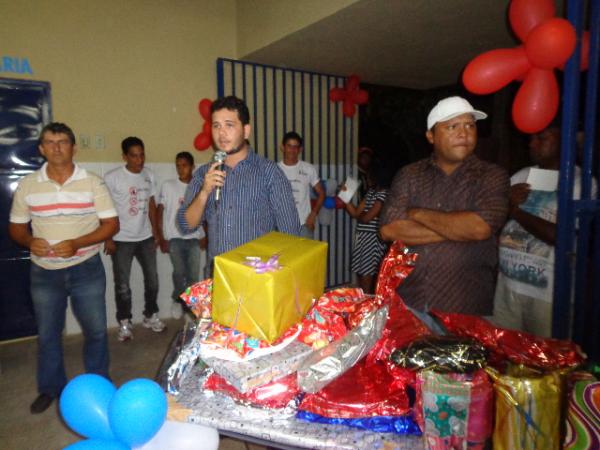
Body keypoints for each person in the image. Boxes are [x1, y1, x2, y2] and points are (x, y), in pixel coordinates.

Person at [8, 122, 119, 414]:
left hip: (87, 268)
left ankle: (99, 385)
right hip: (44, 272)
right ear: (42, 149)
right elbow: (16, 229)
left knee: (96, 332)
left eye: (63, 141)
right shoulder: (28, 185)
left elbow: (111, 225)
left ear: (73, 147)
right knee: (48, 335)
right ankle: (50, 388)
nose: (57, 147)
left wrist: (78, 242)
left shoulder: (93, 182)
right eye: (50, 142)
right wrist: (30, 240)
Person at [380, 96, 509, 316]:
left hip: (465, 306)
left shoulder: (492, 176)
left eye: (470, 125)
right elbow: (389, 230)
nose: (463, 133)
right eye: (452, 126)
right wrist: (459, 229)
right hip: (410, 302)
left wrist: (416, 213)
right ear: (431, 136)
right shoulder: (410, 175)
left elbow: (480, 228)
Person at [493, 125, 597, 337]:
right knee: (506, 356)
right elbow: (493, 223)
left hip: (548, 294)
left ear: (564, 141)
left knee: (547, 361)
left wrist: (514, 211)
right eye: (531, 138)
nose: (532, 143)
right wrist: (505, 203)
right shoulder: (522, 175)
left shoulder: (580, 183)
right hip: (508, 286)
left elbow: (561, 236)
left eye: (542, 138)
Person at [177, 95, 300, 271]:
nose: (221, 133)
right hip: (217, 276)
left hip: (256, 278)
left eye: (229, 125)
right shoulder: (204, 174)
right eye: (216, 126)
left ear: (246, 130)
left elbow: (291, 232)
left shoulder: (269, 173)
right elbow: (185, 226)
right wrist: (204, 192)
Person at [104, 136, 165, 341]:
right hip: (121, 239)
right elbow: (105, 209)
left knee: (153, 281)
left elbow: (151, 205)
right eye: (134, 156)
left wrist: (157, 233)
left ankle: (150, 315)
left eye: (142, 155)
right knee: (123, 285)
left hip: (146, 237)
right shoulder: (113, 178)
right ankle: (124, 322)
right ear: (124, 156)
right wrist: (107, 238)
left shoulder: (149, 175)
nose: (139, 160)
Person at [157, 151, 206, 319]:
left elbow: (205, 213)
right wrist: (161, 237)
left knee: (193, 275)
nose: (180, 169)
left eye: (184, 165)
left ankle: (190, 308)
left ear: (193, 166)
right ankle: (178, 300)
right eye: (178, 166)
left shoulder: (200, 187)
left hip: (193, 237)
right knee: (179, 272)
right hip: (174, 237)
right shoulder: (168, 186)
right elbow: (160, 211)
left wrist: (204, 235)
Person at [342, 158, 392, 294]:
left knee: (367, 275)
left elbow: (366, 217)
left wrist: (362, 215)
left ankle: (368, 303)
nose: (367, 177)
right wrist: (344, 195)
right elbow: (356, 213)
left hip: (373, 239)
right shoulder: (371, 193)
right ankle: (364, 302)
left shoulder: (384, 194)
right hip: (363, 237)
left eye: (370, 175)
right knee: (361, 273)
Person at [277, 131, 325, 239]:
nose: (292, 150)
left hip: (304, 225)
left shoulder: (308, 168)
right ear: (282, 147)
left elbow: (321, 193)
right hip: (281, 225)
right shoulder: (275, 169)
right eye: (289, 146)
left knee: (305, 256)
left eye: (296, 147)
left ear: (300, 150)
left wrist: (313, 214)